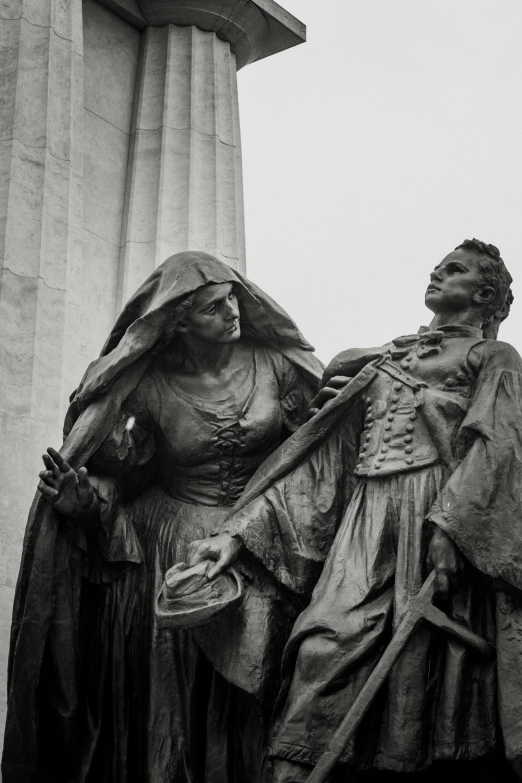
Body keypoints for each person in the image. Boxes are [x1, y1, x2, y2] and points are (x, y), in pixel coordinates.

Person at [189, 240, 522, 782]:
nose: (436, 274)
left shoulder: (493, 358)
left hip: (436, 512)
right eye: (437, 266)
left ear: (485, 295)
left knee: (429, 674)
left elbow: (500, 442)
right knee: (321, 648)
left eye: (453, 270)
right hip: (365, 522)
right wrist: (237, 536)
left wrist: (451, 527)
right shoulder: (385, 359)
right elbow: (320, 465)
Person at [1, 251, 326, 783]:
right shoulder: (148, 384)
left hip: (265, 538)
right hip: (170, 549)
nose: (232, 313)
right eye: (213, 308)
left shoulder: (276, 365)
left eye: (232, 299)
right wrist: (80, 501)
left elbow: (314, 451)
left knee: (257, 695)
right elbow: (125, 476)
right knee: (173, 700)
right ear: (178, 321)